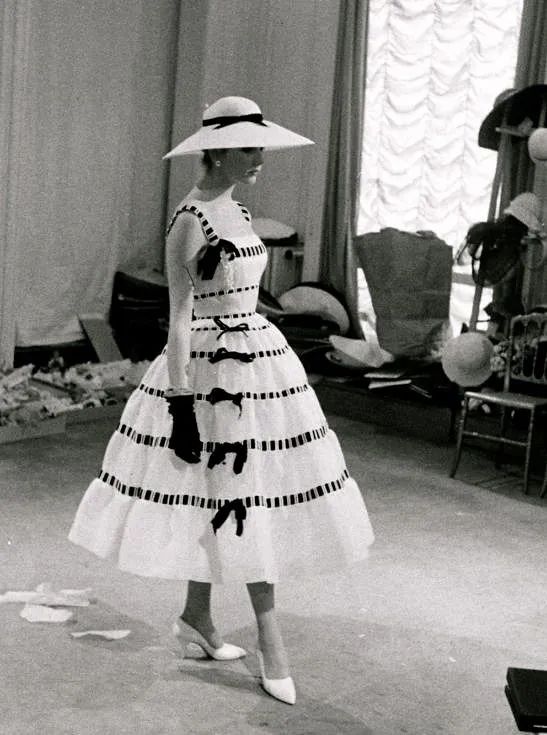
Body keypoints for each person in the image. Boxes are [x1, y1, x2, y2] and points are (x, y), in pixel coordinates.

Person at [68, 96, 375, 705]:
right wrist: (180, 404)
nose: (260, 157)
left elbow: (243, 290)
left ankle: (197, 617)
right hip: (207, 370)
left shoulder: (237, 207)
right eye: (248, 148)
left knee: (231, 490)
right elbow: (180, 318)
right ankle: (269, 640)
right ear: (216, 151)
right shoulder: (188, 220)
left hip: (257, 360)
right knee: (235, 493)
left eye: (260, 146)